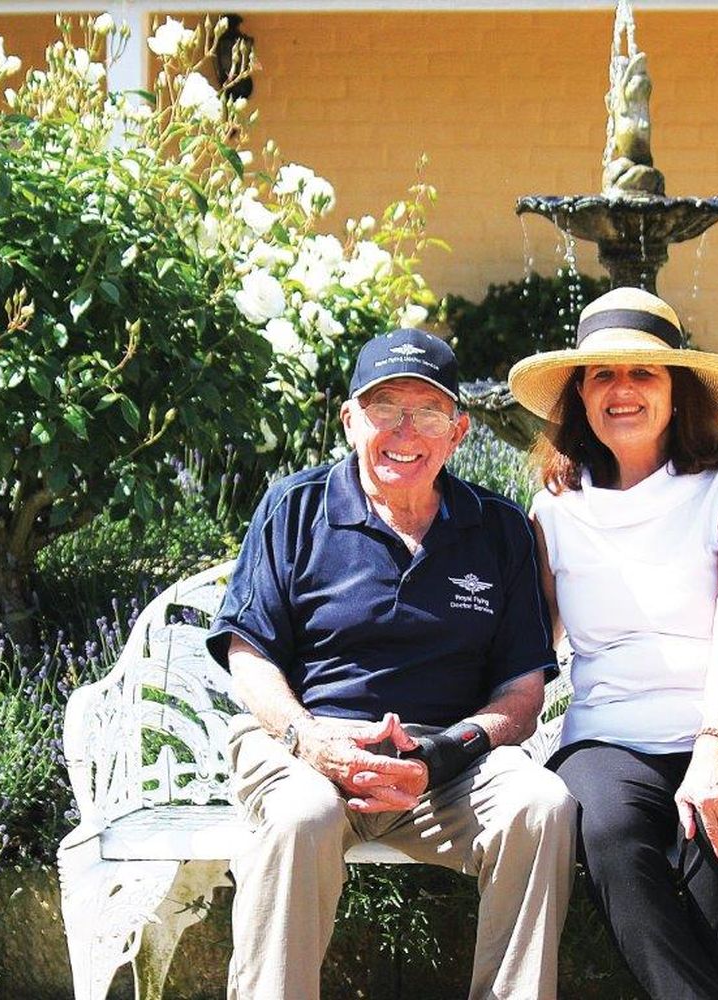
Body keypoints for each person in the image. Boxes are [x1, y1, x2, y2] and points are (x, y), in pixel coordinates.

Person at [207, 327, 576, 1000]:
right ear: (350, 420)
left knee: (541, 804)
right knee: (301, 817)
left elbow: (522, 694)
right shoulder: (294, 509)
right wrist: (309, 739)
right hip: (306, 744)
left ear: (458, 432)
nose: (405, 432)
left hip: (447, 764)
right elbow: (248, 651)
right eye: (385, 409)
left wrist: (437, 756)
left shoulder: (497, 528)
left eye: (428, 413)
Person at [508, 286, 718, 1000]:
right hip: (612, 742)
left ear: (678, 390)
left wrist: (717, 752)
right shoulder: (554, 508)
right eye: (602, 374)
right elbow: (531, 641)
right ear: (579, 396)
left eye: (643, 372)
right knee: (606, 833)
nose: (621, 389)